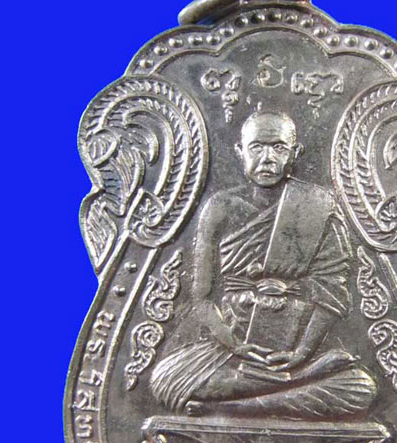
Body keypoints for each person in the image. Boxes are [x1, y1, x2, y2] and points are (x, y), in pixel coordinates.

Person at [150, 111, 377, 420]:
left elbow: (332, 291)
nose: (267, 158)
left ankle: (227, 407)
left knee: (360, 388)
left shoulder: (318, 205)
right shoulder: (219, 207)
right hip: (229, 348)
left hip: (296, 350)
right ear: (240, 151)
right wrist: (234, 345)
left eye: (278, 148)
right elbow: (201, 298)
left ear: (294, 153)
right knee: (164, 381)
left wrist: (301, 353)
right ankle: (285, 390)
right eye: (257, 147)